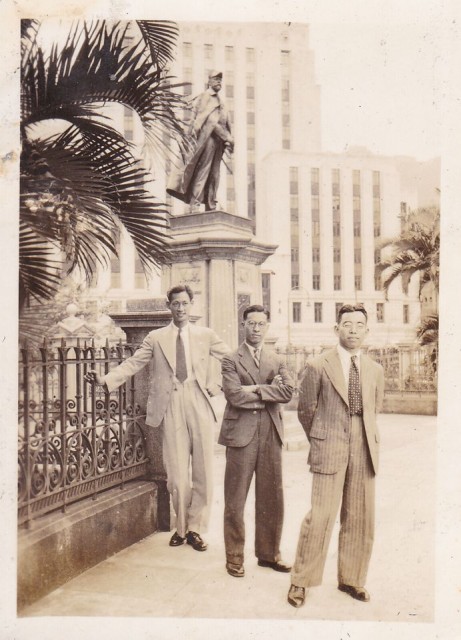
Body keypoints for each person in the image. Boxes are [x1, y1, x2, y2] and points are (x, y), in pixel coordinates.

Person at [84, 284, 229, 551]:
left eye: (185, 303)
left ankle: (196, 528)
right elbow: (134, 363)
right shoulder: (156, 336)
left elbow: (230, 359)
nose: (181, 308)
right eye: (176, 304)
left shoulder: (206, 335)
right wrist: (105, 380)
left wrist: (218, 383)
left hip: (199, 400)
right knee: (176, 474)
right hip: (170, 403)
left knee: (203, 471)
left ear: (191, 305)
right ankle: (182, 527)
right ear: (169, 306)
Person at [287, 303, 384, 608]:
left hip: (363, 444)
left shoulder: (375, 370)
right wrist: (321, 439)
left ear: (367, 331)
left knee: (359, 517)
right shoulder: (319, 365)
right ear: (336, 329)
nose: (353, 330)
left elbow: (374, 409)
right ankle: (301, 581)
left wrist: (361, 435)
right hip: (329, 443)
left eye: (359, 324)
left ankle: (352, 579)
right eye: (347, 324)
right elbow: (306, 411)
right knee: (321, 515)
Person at [218, 305, 294, 578]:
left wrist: (253, 389)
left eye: (262, 323)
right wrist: (268, 392)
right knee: (235, 500)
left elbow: (288, 391)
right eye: (251, 323)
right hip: (240, 435)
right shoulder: (230, 359)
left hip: (271, 433)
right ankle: (234, 558)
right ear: (244, 325)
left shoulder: (277, 359)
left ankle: (269, 554)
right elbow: (234, 395)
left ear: (268, 326)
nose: (256, 328)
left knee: (272, 497)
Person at [167, 70, 233, 212]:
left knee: (214, 175)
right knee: (203, 171)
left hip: (218, 143)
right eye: (215, 79)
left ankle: (211, 204)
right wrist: (226, 136)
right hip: (206, 140)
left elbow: (225, 123)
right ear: (209, 81)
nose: (218, 82)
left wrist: (228, 141)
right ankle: (195, 203)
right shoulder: (205, 97)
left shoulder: (222, 103)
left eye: (220, 80)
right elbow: (208, 120)